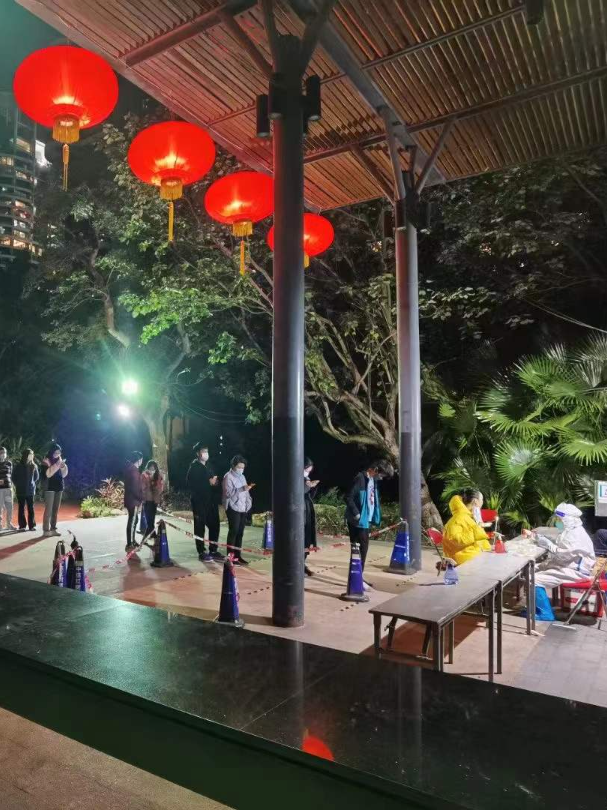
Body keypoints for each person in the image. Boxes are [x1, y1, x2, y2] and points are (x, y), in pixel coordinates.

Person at [345, 459, 394, 588]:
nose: (382, 478)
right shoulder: (360, 478)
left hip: (365, 521)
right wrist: (357, 514)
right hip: (357, 521)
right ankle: (355, 580)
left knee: (362, 550)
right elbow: (348, 497)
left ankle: (358, 578)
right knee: (359, 550)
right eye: (382, 475)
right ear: (376, 470)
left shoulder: (372, 480)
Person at [534, 503, 595, 589]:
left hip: (576, 572)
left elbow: (562, 556)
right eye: (557, 519)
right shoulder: (571, 530)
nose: (558, 522)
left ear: (568, 519)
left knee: (533, 579)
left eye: (560, 519)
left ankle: (542, 598)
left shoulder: (575, 534)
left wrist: (548, 544)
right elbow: (562, 544)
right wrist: (546, 540)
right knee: (534, 568)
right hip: (569, 566)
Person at [186, 442, 223, 562]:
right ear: (198, 453)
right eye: (203, 451)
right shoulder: (194, 467)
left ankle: (213, 550)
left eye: (207, 451)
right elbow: (191, 484)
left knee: (215, 525)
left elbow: (215, 481)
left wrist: (215, 483)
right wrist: (208, 483)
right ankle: (201, 551)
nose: (206, 453)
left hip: (211, 501)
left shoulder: (208, 466)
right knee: (199, 526)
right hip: (199, 502)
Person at [442, 490, 491, 565]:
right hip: (462, 561)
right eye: (482, 499)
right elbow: (455, 539)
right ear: (475, 501)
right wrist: (477, 529)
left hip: (471, 556)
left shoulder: (468, 517)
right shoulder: (458, 518)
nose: (482, 502)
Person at [223, 455, 254, 566]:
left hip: (243, 508)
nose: (241, 469)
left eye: (243, 467)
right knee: (233, 531)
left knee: (240, 533)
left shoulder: (242, 476)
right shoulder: (228, 477)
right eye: (239, 467)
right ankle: (230, 557)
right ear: (233, 466)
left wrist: (249, 502)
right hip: (233, 507)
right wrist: (241, 489)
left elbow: (246, 492)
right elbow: (228, 493)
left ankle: (238, 556)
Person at [41, 443, 68, 538]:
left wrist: (63, 467)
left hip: (59, 487)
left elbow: (64, 475)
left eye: (59, 452)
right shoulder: (46, 461)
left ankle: (53, 529)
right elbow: (47, 474)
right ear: (51, 452)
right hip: (49, 487)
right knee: (48, 510)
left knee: (55, 510)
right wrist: (57, 465)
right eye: (56, 452)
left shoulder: (60, 461)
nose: (58, 454)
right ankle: (46, 530)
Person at [13, 448, 39, 532]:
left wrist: (31, 484)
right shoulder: (18, 466)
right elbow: (13, 477)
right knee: (21, 508)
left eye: (32, 454)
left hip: (30, 490)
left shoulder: (34, 466)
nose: (32, 456)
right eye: (30, 454)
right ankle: (22, 526)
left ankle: (32, 525)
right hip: (20, 490)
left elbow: (36, 477)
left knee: (31, 508)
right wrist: (18, 484)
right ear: (25, 455)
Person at [124, 451, 143, 550]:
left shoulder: (130, 469)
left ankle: (132, 540)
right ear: (138, 460)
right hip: (133, 501)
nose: (142, 462)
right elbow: (135, 488)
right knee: (132, 521)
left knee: (134, 520)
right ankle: (130, 543)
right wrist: (141, 498)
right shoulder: (134, 471)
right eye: (141, 460)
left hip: (130, 500)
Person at [140, 460, 164, 540]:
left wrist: (157, 486)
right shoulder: (144, 475)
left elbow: (160, 488)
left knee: (151, 520)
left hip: (154, 501)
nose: (152, 469)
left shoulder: (158, 475)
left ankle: (149, 537)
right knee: (149, 521)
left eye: (154, 468)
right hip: (147, 500)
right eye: (151, 468)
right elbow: (142, 488)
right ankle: (152, 536)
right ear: (148, 467)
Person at [304, 457, 320, 577]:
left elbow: (309, 495)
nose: (307, 473)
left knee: (307, 538)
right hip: (300, 511)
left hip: (307, 510)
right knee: (300, 538)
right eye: (306, 470)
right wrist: (307, 486)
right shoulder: (294, 478)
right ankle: (297, 565)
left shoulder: (307, 479)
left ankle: (302, 563)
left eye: (309, 471)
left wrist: (313, 487)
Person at [0, 446, 16, 532]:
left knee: (10, 507)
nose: (3, 454)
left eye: (4, 452)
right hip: (0, 490)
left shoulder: (9, 463)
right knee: (0, 508)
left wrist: (12, 486)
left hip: (8, 489)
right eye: (1, 452)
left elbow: (11, 475)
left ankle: (9, 524)